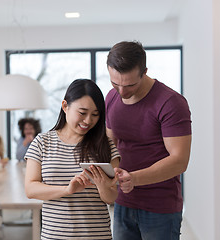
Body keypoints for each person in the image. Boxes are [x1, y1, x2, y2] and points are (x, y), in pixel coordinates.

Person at [105, 41, 192, 240]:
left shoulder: (171, 103)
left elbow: (180, 160)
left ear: (144, 71)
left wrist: (134, 179)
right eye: (115, 83)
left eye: (129, 85)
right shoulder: (111, 98)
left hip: (160, 206)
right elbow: (110, 145)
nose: (121, 92)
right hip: (123, 202)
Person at [25, 79, 120, 240]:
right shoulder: (42, 142)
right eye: (82, 113)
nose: (88, 120)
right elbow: (31, 189)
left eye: (95, 115)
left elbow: (111, 197)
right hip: (54, 236)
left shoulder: (105, 145)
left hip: (96, 236)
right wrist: (67, 190)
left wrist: (102, 185)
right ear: (65, 106)